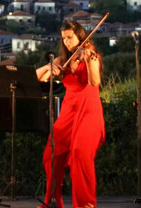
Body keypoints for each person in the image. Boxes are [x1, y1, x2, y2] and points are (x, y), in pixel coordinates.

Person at [35, 21, 105, 208]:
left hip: (88, 109)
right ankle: (53, 200)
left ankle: (85, 203)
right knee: (51, 154)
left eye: (70, 37)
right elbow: (36, 77)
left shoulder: (91, 55)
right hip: (68, 111)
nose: (66, 42)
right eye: (64, 38)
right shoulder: (61, 60)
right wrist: (49, 69)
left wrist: (90, 60)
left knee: (80, 154)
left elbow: (94, 82)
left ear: (80, 36)